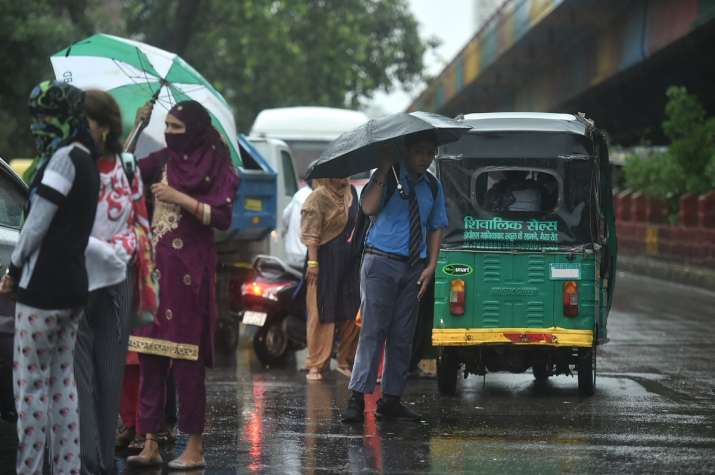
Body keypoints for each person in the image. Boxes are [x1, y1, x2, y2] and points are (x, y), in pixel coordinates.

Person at [126, 100, 238, 470]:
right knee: (149, 357)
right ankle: (150, 442)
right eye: (167, 126)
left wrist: (180, 199)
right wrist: (136, 128)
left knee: (187, 363)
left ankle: (194, 446)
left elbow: (222, 216)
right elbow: (124, 172)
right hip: (155, 274)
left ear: (194, 129)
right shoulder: (161, 160)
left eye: (177, 127)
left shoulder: (217, 164)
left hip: (191, 276)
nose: (170, 133)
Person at [0, 80, 99, 475]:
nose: (37, 125)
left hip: (41, 289)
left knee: (30, 388)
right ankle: (67, 469)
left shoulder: (61, 161)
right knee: (62, 386)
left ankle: (29, 469)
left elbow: (36, 224)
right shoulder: (88, 160)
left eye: (42, 116)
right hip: (73, 287)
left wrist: (12, 270)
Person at [74, 90, 157, 474]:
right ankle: (88, 460)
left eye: (86, 119)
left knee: (109, 377)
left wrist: (119, 254)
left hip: (117, 281)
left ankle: (102, 461)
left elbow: (139, 222)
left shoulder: (126, 166)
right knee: (80, 379)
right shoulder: (70, 162)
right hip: (75, 282)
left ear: (103, 125)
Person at [341, 133, 448, 423]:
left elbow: (437, 226)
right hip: (380, 263)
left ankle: (391, 400)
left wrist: (432, 265)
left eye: (430, 152)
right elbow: (368, 208)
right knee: (373, 332)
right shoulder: (387, 176)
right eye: (419, 152)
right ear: (406, 151)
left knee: (403, 337)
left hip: (414, 268)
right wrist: (385, 169)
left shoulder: (433, 187)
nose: (425, 158)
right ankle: (357, 397)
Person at [300, 178, 361, 381]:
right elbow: (311, 232)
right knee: (322, 312)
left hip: (350, 262)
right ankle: (317, 364)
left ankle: (344, 360)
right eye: (338, 171)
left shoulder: (351, 192)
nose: (344, 176)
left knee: (352, 311)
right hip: (323, 263)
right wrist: (313, 264)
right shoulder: (318, 196)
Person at [283, 183, 312, 270]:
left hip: (291, 250)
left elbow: (285, 217)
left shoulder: (299, 194)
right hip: (306, 252)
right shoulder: (318, 197)